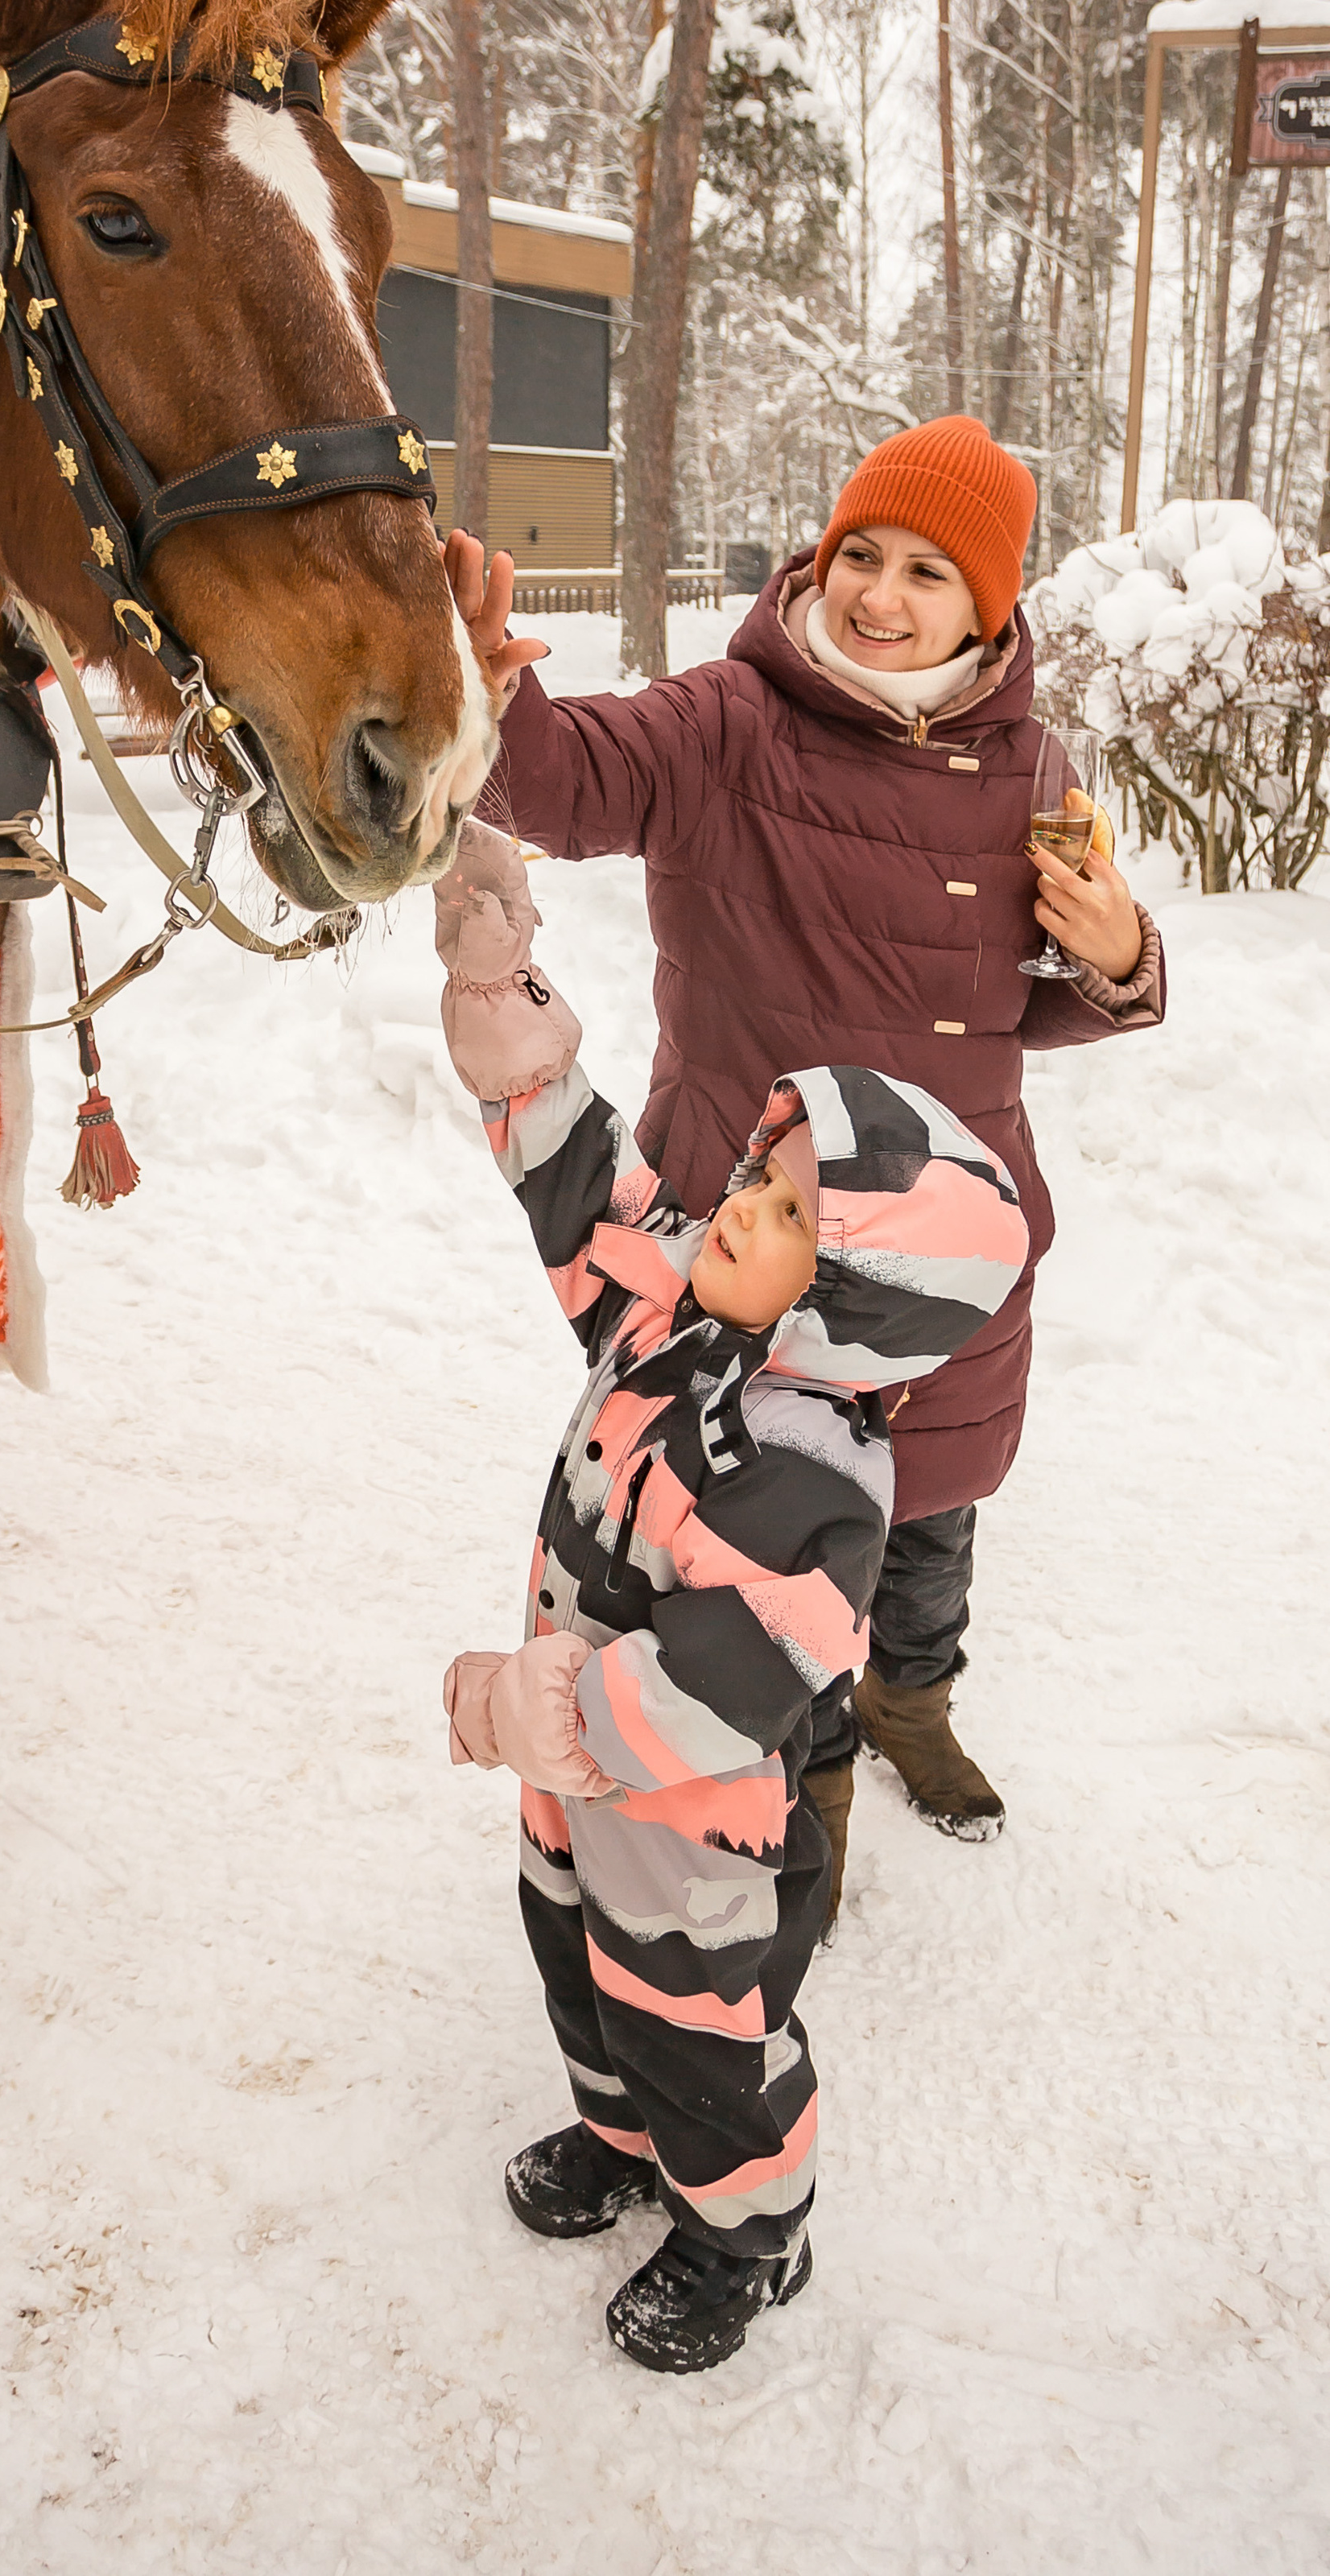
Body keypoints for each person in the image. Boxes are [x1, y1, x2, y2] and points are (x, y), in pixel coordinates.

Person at [451, 415, 1164, 1905]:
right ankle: (811, 1771)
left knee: (934, 1509)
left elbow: (1015, 995)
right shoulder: (731, 722)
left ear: (989, 607)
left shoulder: (1031, 765)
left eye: (927, 572)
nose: (880, 596)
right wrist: (483, 688)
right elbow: (563, 780)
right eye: (860, 555)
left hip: (939, 1245)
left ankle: (915, 1700)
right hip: (757, 1225)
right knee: (765, 1539)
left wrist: (1117, 958)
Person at [434, 821, 1028, 2371]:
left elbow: (714, 1683)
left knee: (696, 2022)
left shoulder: (816, 1479)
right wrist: (506, 1007)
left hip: (690, 1820)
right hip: (578, 1784)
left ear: (851, 1305)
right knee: (571, 1955)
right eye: (763, 1177)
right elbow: (590, 1196)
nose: (742, 1208)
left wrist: (528, 1710)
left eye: (788, 1219)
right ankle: (620, 2139)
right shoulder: (689, 1306)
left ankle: (749, 2234)